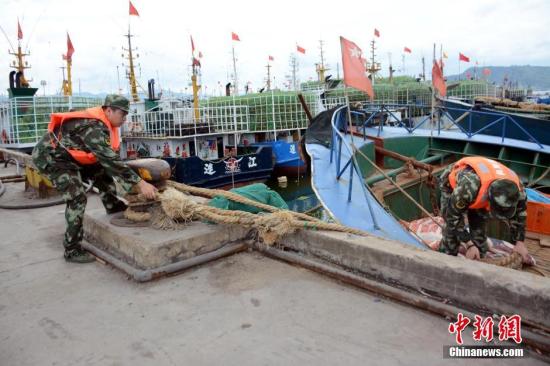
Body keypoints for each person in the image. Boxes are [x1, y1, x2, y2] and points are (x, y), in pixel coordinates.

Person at [32, 95, 157, 263]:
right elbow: (110, 160)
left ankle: (113, 206)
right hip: (53, 158)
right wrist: (140, 183)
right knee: (77, 197)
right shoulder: (93, 128)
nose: (124, 119)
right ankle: (72, 249)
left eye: (126, 115)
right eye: (122, 114)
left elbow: (107, 161)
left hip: (69, 155)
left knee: (101, 171)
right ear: (109, 110)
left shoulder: (104, 123)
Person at [438, 156, 529, 262]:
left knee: (479, 227)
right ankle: (445, 256)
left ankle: (479, 255)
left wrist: (520, 242)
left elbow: (521, 214)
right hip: (451, 184)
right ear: (489, 197)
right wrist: (469, 244)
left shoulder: (519, 190)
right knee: (451, 234)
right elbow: (452, 218)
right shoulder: (468, 187)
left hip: (478, 190)